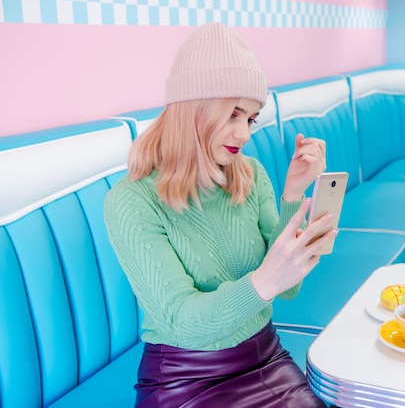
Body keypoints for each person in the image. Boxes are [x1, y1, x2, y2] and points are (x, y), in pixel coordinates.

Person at [104, 22, 335, 407]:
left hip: (265, 356)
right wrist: (263, 280)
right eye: (233, 114)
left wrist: (294, 195)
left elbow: (288, 288)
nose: (244, 133)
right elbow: (180, 321)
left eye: (250, 118)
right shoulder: (131, 201)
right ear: (193, 107)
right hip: (187, 376)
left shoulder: (251, 175)